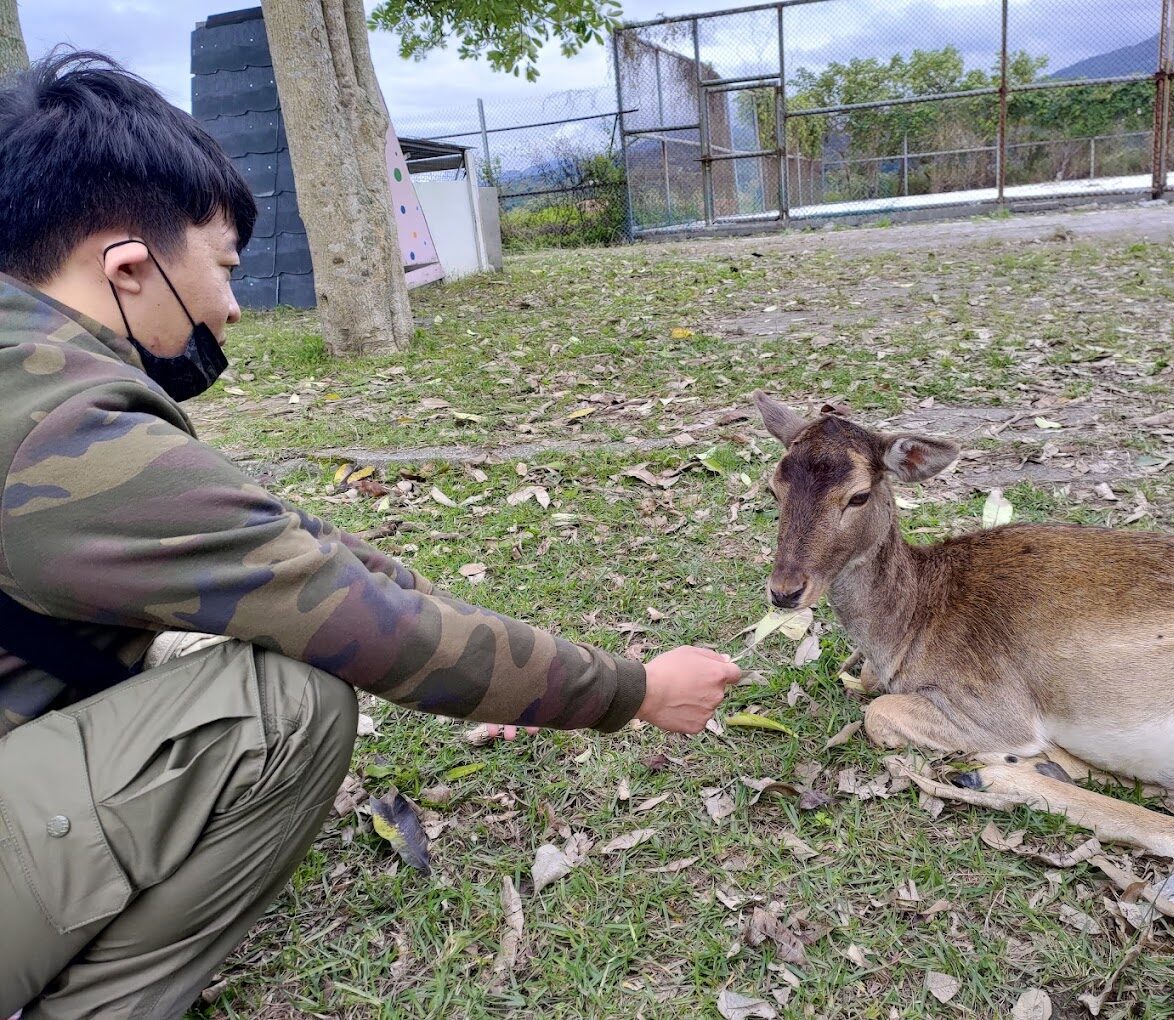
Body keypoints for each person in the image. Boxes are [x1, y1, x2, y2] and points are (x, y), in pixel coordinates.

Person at [0, 51, 742, 1019]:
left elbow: (300, 553)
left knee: (198, 649)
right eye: (223, 269)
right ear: (130, 267)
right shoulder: (64, 433)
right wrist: (634, 690)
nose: (231, 308)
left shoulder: (28, 370)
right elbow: (360, 623)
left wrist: (484, 640)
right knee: (284, 706)